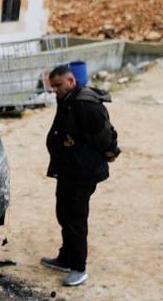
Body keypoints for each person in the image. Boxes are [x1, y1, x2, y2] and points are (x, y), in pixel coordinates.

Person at [43, 65, 120, 287]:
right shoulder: (67, 99)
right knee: (64, 213)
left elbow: (103, 134)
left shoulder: (85, 104)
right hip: (68, 170)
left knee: (75, 219)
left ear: (71, 81)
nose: (55, 90)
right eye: (52, 86)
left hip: (82, 173)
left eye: (58, 85)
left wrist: (111, 151)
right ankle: (66, 258)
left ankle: (78, 268)